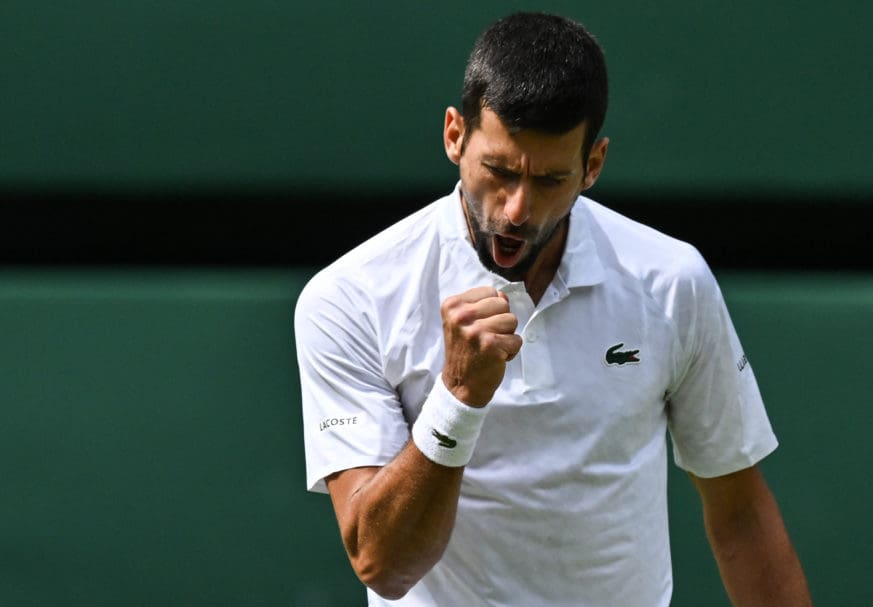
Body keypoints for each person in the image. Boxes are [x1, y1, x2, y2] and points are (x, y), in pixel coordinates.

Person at [295, 11, 811, 606]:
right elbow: (381, 564)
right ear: (454, 135)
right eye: (500, 171)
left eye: (549, 180)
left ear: (593, 166)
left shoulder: (672, 282)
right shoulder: (348, 299)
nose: (517, 209)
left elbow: (741, 513)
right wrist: (458, 397)